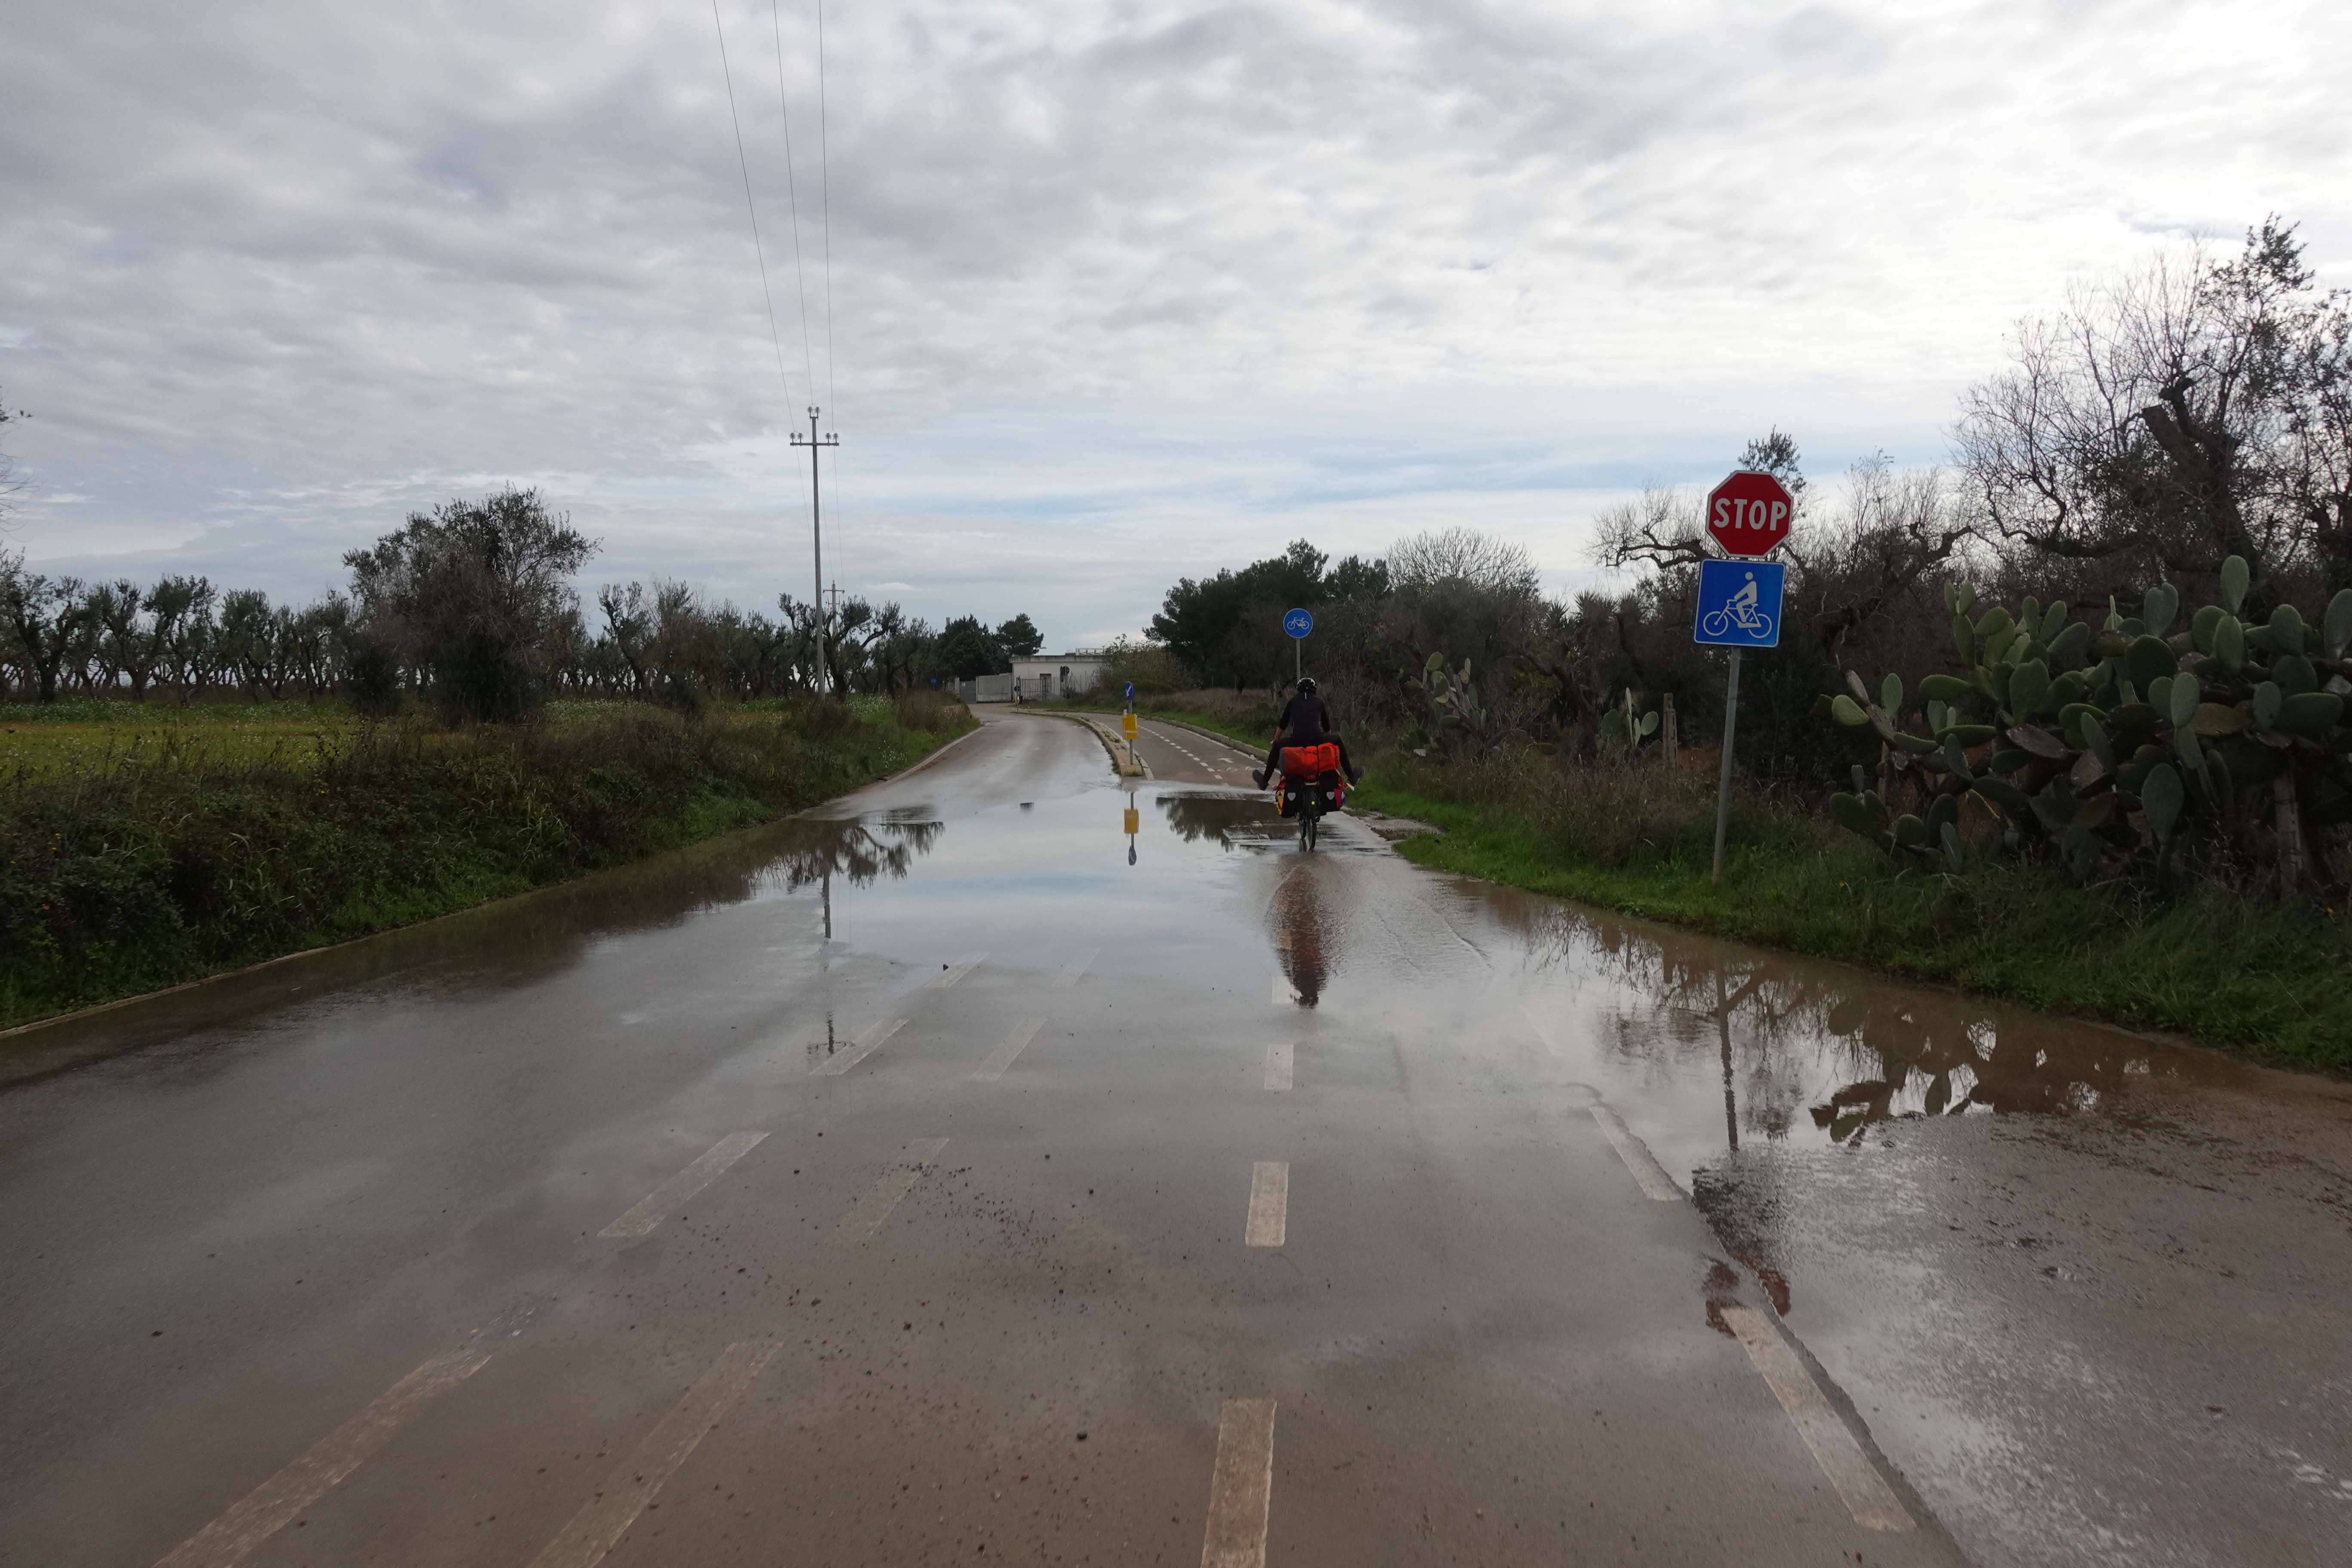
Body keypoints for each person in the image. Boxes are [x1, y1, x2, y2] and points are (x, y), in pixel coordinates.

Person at [1253, 677, 1362, 789]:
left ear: (1298, 690)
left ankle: (1264, 782)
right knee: (1338, 739)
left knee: (1277, 746)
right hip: (1318, 740)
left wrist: (1276, 741)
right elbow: (1326, 727)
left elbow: (1283, 725)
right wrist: (1328, 740)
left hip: (1296, 741)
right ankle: (1352, 776)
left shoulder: (1292, 702)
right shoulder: (1319, 702)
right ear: (1314, 690)